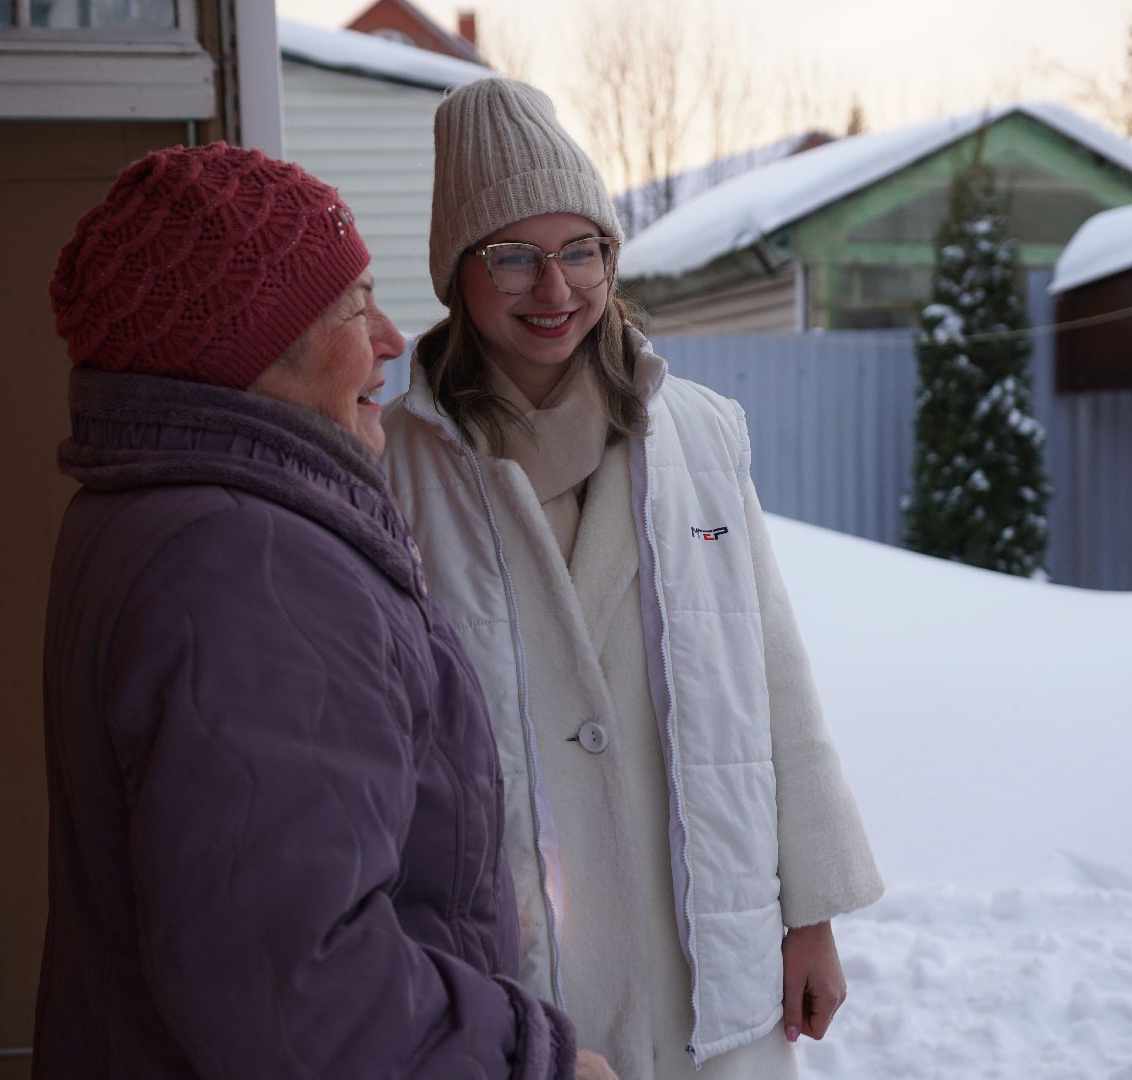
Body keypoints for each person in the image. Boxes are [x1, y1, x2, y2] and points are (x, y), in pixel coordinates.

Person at [34, 141, 611, 1079]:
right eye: (353, 307)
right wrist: (526, 1063)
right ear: (249, 347)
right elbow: (293, 984)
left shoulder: (164, 513)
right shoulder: (246, 562)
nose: (390, 338)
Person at [380, 79, 885, 1080]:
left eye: (583, 251)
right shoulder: (398, 467)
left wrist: (810, 913)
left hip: (706, 939)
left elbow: (773, 676)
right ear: (455, 275)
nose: (555, 288)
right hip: (520, 957)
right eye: (512, 255)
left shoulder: (696, 435)